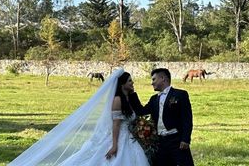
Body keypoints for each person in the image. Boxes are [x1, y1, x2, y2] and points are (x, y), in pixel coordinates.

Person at [8, 69, 150, 165]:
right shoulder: (117, 100)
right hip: (119, 138)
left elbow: (138, 112)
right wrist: (114, 145)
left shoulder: (128, 98)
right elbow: (116, 124)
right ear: (123, 84)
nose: (133, 83)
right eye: (130, 81)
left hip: (128, 137)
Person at [131, 68, 194, 166]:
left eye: (154, 79)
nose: (152, 83)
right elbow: (141, 111)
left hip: (176, 140)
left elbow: (187, 118)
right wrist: (132, 94)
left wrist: (185, 139)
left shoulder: (180, 94)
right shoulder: (154, 99)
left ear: (163, 78)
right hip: (160, 142)